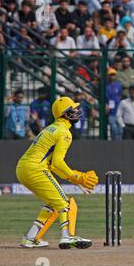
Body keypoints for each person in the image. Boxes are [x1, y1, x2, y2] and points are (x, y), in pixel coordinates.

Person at [17, 96, 99, 249]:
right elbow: (58, 163)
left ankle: (30, 238)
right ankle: (67, 236)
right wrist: (78, 177)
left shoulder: (50, 128)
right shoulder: (64, 133)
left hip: (23, 169)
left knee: (53, 203)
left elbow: (53, 166)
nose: (76, 111)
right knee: (64, 203)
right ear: (65, 114)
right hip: (35, 169)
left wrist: (74, 180)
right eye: (73, 110)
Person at [106, 68, 123, 140]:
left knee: (120, 129)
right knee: (113, 128)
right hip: (110, 110)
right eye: (111, 75)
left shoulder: (118, 85)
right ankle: (114, 143)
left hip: (118, 109)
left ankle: (119, 144)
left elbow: (120, 95)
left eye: (113, 75)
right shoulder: (105, 85)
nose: (112, 76)